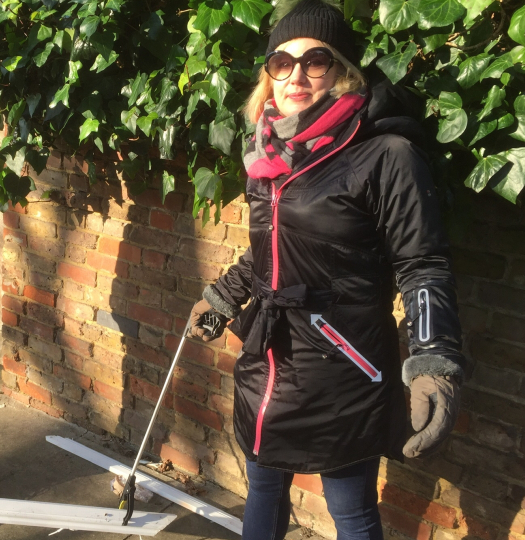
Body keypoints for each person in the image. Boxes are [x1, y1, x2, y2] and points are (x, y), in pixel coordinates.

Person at [187, 1, 465, 539]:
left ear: (343, 70)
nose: (295, 75)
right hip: (270, 360)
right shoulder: (268, 153)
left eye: (316, 60)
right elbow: (268, 250)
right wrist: (224, 296)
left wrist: (433, 359)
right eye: (281, 63)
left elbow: (423, 263)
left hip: (345, 364)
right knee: (263, 489)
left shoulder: (386, 154)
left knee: (351, 509)